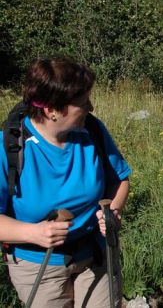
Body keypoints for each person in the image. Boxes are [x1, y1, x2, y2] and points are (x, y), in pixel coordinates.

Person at [0, 58, 131, 308]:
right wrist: (34, 232)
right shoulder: (8, 149)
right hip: (37, 264)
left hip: (94, 253)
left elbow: (119, 181)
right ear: (52, 110)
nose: (91, 107)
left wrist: (112, 211)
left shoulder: (91, 131)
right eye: (82, 103)